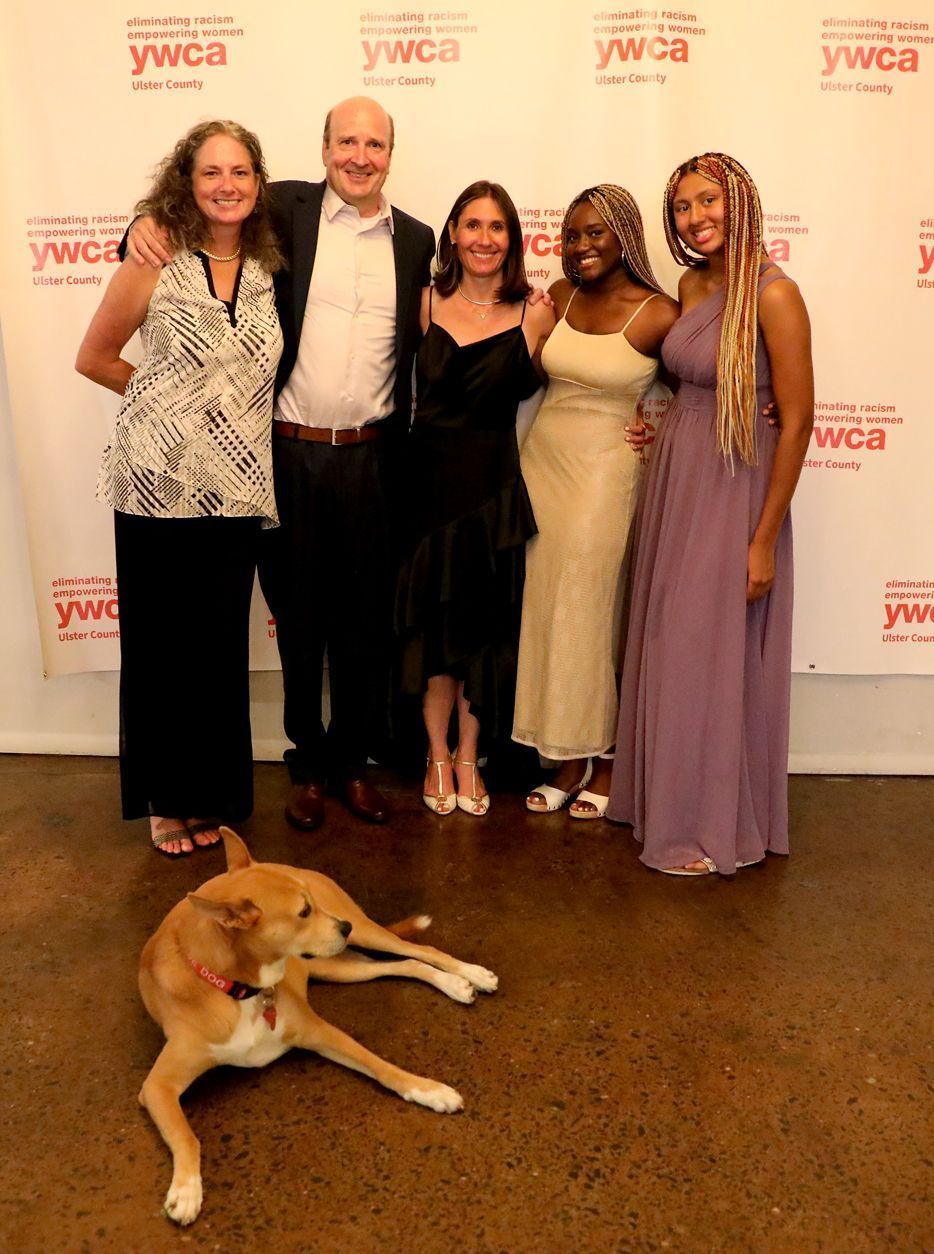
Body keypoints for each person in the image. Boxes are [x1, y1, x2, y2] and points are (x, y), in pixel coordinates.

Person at [128, 97, 436, 831]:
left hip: (373, 458)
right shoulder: (284, 211)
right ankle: (306, 764)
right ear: (324, 148)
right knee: (299, 619)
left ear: (391, 153)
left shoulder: (418, 241)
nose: (360, 156)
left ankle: (351, 766)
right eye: (347, 142)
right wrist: (138, 226)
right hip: (287, 454)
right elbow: (202, 203)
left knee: (364, 621)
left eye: (375, 144)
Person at [76, 120, 283, 856]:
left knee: (219, 649)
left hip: (236, 492)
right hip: (156, 485)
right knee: (163, 649)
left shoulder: (269, 265)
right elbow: (95, 357)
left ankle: (215, 796)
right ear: (185, 183)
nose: (226, 185)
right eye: (210, 173)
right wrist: (165, 404)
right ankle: (168, 802)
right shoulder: (157, 256)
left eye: (240, 172)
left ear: (259, 184)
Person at [607, 152, 814, 875]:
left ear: (742, 200)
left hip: (736, 486)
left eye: (709, 201)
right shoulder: (692, 283)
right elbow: (685, 375)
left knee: (708, 648)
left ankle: (704, 824)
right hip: (679, 475)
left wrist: (763, 540)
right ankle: (661, 799)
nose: (698, 218)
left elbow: (796, 420)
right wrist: (656, 417)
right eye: (685, 208)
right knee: (669, 640)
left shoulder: (775, 293)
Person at [512, 185, 678, 819]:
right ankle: (567, 757)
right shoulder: (558, 296)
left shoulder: (659, 312)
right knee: (547, 610)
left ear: (626, 236)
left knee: (590, 613)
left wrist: (659, 435)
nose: (580, 247)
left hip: (605, 476)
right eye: (573, 235)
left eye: (595, 234)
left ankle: (607, 758)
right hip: (542, 466)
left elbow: (701, 391)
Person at [396, 182, 554, 815]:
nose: (485, 239)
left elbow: (587, 382)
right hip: (427, 489)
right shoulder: (423, 305)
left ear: (512, 240)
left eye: (498, 228)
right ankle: (435, 754)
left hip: (493, 489)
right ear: (452, 235)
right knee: (435, 629)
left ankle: (470, 755)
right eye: (473, 225)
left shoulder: (536, 313)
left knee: (484, 632)